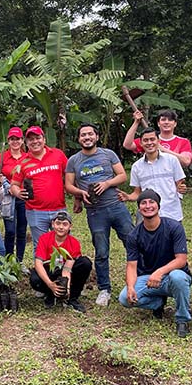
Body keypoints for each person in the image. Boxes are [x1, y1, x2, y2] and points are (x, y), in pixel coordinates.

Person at [65, 123, 133, 307]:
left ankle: (140, 279)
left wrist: (107, 183)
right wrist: (80, 194)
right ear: (78, 139)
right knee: (101, 251)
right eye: (83, 135)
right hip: (95, 211)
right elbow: (68, 185)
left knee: (132, 243)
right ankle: (105, 289)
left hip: (117, 207)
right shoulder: (74, 160)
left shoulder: (108, 154)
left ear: (96, 136)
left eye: (90, 134)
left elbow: (122, 176)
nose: (86, 137)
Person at [118, 190, 192, 338]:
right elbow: (132, 265)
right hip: (149, 278)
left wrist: (160, 272)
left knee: (178, 277)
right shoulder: (134, 235)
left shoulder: (174, 227)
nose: (148, 206)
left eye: (151, 202)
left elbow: (181, 259)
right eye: (143, 203)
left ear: (158, 205)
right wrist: (131, 287)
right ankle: (158, 303)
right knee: (124, 298)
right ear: (139, 208)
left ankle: (182, 319)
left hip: (173, 276)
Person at [10, 126, 68, 254]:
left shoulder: (58, 154)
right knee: (41, 246)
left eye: (38, 138)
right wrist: (18, 192)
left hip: (58, 208)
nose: (35, 141)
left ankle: (61, 272)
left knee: (61, 245)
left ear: (44, 139)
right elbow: (14, 184)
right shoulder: (23, 162)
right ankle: (42, 273)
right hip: (35, 211)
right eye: (31, 139)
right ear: (26, 143)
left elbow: (70, 176)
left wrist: (78, 197)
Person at [29, 211, 92, 313]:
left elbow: (67, 269)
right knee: (35, 279)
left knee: (85, 263)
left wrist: (66, 289)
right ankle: (50, 293)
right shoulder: (44, 238)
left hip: (65, 270)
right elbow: (38, 263)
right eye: (58, 223)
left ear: (70, 226)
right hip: (50, 271)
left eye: (65, 224)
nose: (61, 227)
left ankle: (72, 298)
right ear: (53, 224)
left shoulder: (74, 242)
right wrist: (50, 284)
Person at [118, 127, 186, 222]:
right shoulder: (136, 167)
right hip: (148, 216)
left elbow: (180, 183)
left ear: (158, 141)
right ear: (141, 143)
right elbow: (137, 193)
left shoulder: (172, 160)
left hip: (171, 213)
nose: (149, 143)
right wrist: (128, 197)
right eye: (145, 140)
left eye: (152, 139)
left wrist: (181, 188)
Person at [0, 127, 28, 264]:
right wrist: (2, 181)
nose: (15, 141)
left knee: (21, 231)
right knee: (10, 230)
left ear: (22, 140)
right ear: (8, 141)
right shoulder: (2, 157)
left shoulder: (27, 157)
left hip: (23, 196)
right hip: (8, 197)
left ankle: (19, 261)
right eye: (12, 139)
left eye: (17, 139)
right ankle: (8, 261)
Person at [122, 109, 192, 167]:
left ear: (175, 124)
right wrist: (136, 122)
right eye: (163, 120)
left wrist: (162, 149)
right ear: (158, 123)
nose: (166, 122)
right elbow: (127, 145)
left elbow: (186, 162)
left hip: (173, 181)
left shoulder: (183, 142)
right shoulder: (150, 140)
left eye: (170, 120)